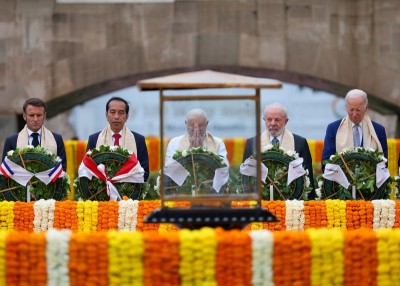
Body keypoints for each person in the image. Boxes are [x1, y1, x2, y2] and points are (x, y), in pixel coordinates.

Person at [242, 103, 315, 196]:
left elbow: (308, 179)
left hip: (292, 201)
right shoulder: (252, 143)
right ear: (264, 120)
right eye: (269, 119)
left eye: (277, 120)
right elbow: (245, 177)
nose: (272, 123)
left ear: (286, 121)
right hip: (261, 200)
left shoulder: (300, 143)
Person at [86, 97, 149, 181]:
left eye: (121, 113)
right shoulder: (94, 139)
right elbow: (87, 168)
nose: (116, 116)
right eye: (112, 112)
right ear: (106, 115)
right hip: (102, 192)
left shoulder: (138, 140)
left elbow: (145, 172)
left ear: (126, 117)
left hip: (129, 192)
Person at [322, 89, 388, 167]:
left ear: (366, 107)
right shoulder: (333, 129)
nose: (354, 114)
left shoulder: (378, 130)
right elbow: (326, 163)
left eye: (358, 110)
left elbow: (384, 163)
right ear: (346, 107)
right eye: (351, 110)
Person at [2, 98, 67, 170]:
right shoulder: (11, 141)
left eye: (39, 115)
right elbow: (5, 170)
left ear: (44, 116)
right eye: (31, 115)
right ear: (24, 116)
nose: (35, 119)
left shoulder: (57, 139)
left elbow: (62, 169)